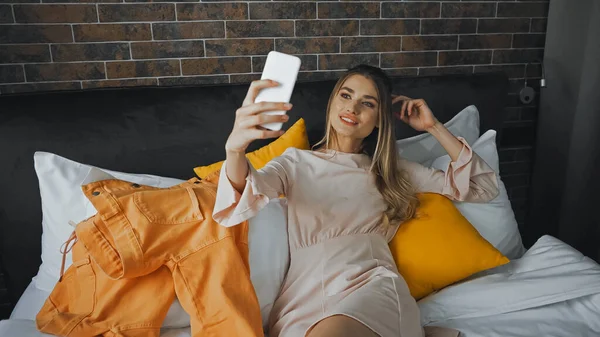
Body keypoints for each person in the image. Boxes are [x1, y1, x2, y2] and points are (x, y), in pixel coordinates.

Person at [212, 65, 499, 337]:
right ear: (333, 102)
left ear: (379, 120)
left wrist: (433, 127)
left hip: (371, 284)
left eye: (368, 103)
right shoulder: (295, 162)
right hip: (304, 293)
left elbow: (482, 187)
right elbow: (244, 192)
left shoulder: (389, 170)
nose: (352, 108)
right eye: (346, 95)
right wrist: (235, 149)